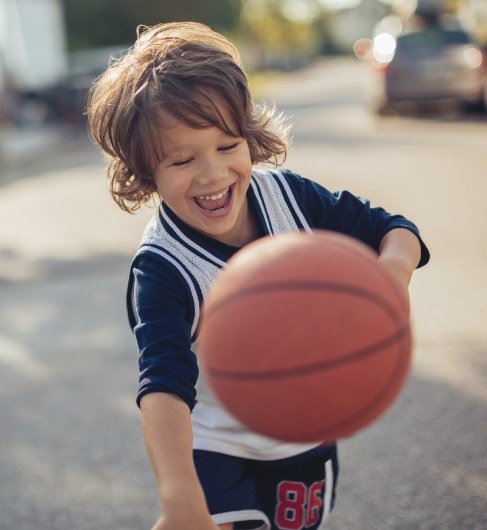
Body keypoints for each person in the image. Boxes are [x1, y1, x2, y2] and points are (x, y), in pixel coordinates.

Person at [86, 21, 430, 530]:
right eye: (182, 159)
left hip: (302, 429)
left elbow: (396, 231)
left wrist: (387, 281)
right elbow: (163, 385)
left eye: (227, 147)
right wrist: (180, 498)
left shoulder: (288, 196)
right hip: (215, 442)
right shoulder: (163, 268)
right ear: (145, 172)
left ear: (249, 137)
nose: (212, 173)